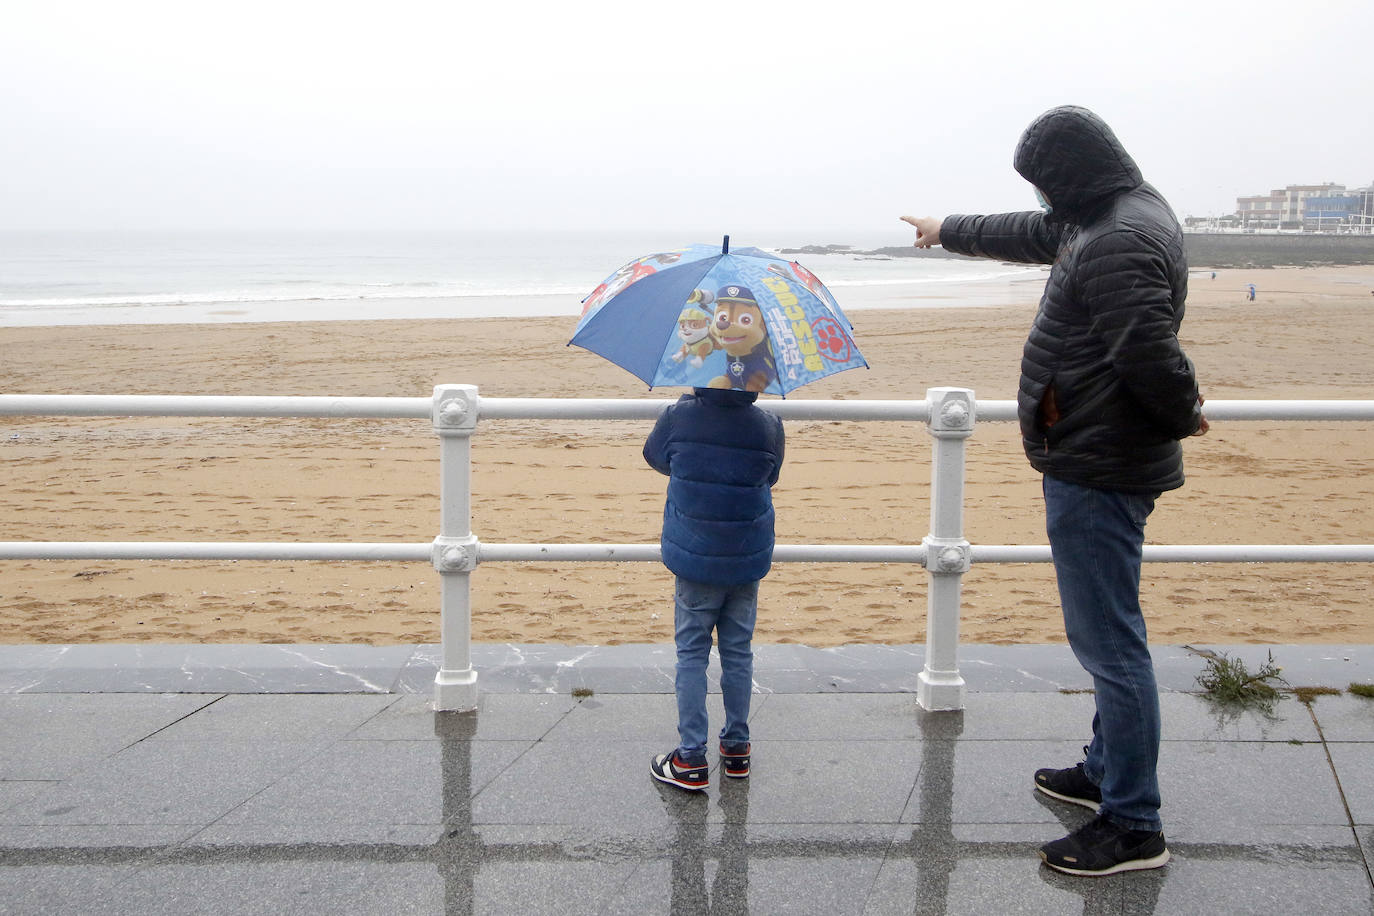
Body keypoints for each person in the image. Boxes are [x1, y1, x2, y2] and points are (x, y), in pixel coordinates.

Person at [901, 104, 1209, 877]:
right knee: (1112, 631)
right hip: (1095, 450)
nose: (1039, 199)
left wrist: (1184, 412)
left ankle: (1134, 824)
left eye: (1042, 184)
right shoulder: (1106, 213)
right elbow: (1028, 233)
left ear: (1067, 178)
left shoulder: (1116, 239)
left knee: (1110, 645)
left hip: (1101, 463)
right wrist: (946, 228)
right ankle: (1106, 771)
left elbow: (1147, 349)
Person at [644, 386, 785, 791]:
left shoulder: (678, 417)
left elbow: (656, 458)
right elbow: (770, 474)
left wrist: (686, 408)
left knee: (691, 652)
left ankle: (690, 758)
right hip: (745, 553)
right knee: (738, 651)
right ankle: (737, 748)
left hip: (694, 554)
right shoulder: (768, 425)